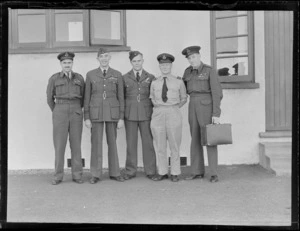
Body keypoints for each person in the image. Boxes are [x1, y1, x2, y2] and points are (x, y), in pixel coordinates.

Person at [181, 45, 223, 183]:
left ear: (199, 56)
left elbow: (217, 93)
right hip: (192, 105)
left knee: (209, 139)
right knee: (195, 138)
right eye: (189, 58)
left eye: (193, 57)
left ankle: (213, 173)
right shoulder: (187, 72)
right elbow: (183, 90)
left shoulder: (209, 71)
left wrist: (216, 114)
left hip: (206, 106)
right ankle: (197, 171)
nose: (191, 60)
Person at [84, 47, 125, 184]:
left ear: (110, 58)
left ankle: (115, 172)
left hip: (112, 113)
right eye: (101, 56)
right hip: (96, 114)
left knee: (112, 143)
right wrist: (87, 117)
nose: (104, 59)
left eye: (106, 56)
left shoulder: (117, 74)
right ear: (97, 59)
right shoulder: (90, 75)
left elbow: (121, 97)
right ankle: (95, 174)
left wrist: (121, 117)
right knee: (96, 144)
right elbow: (87, 97)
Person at [46, 52, 84, 185]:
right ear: (61, 64)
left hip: (76, 111)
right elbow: (49, 98)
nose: (67, 65)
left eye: (69, 62)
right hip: (60, 111)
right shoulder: (54, 79)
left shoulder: (79, 78)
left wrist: (76, 109)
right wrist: (57, 111)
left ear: (72, 63)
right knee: (59, 145)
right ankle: (58, 176)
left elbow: (83, 97)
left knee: (76, 145)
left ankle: (77, 175)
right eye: (64, 63)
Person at [150, 53, 187, 182]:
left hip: (173, 112)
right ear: (159, 66)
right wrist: (160, 108)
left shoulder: (178, 81)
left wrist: (174, 108)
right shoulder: (154, 82)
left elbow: (183, 98)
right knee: (160, 145)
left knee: (174, 144)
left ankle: (175, 172)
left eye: (167, 64)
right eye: (162, 65)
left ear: (171, 65)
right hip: (158, 113)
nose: (165, 67)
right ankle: (162, 171)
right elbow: (152, 98)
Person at [122, 51, 157, 180]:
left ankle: (151, 171)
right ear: (131, 62)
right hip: (130, 114)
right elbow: (121, 97)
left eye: (139, 60)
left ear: (143, 61)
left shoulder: (151, 77)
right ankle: (130, 171)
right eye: (134, 61)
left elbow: (154, 96)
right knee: (131, 143)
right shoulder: (124, 77)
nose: (137, 63)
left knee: (148, 143)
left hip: (146, 113)